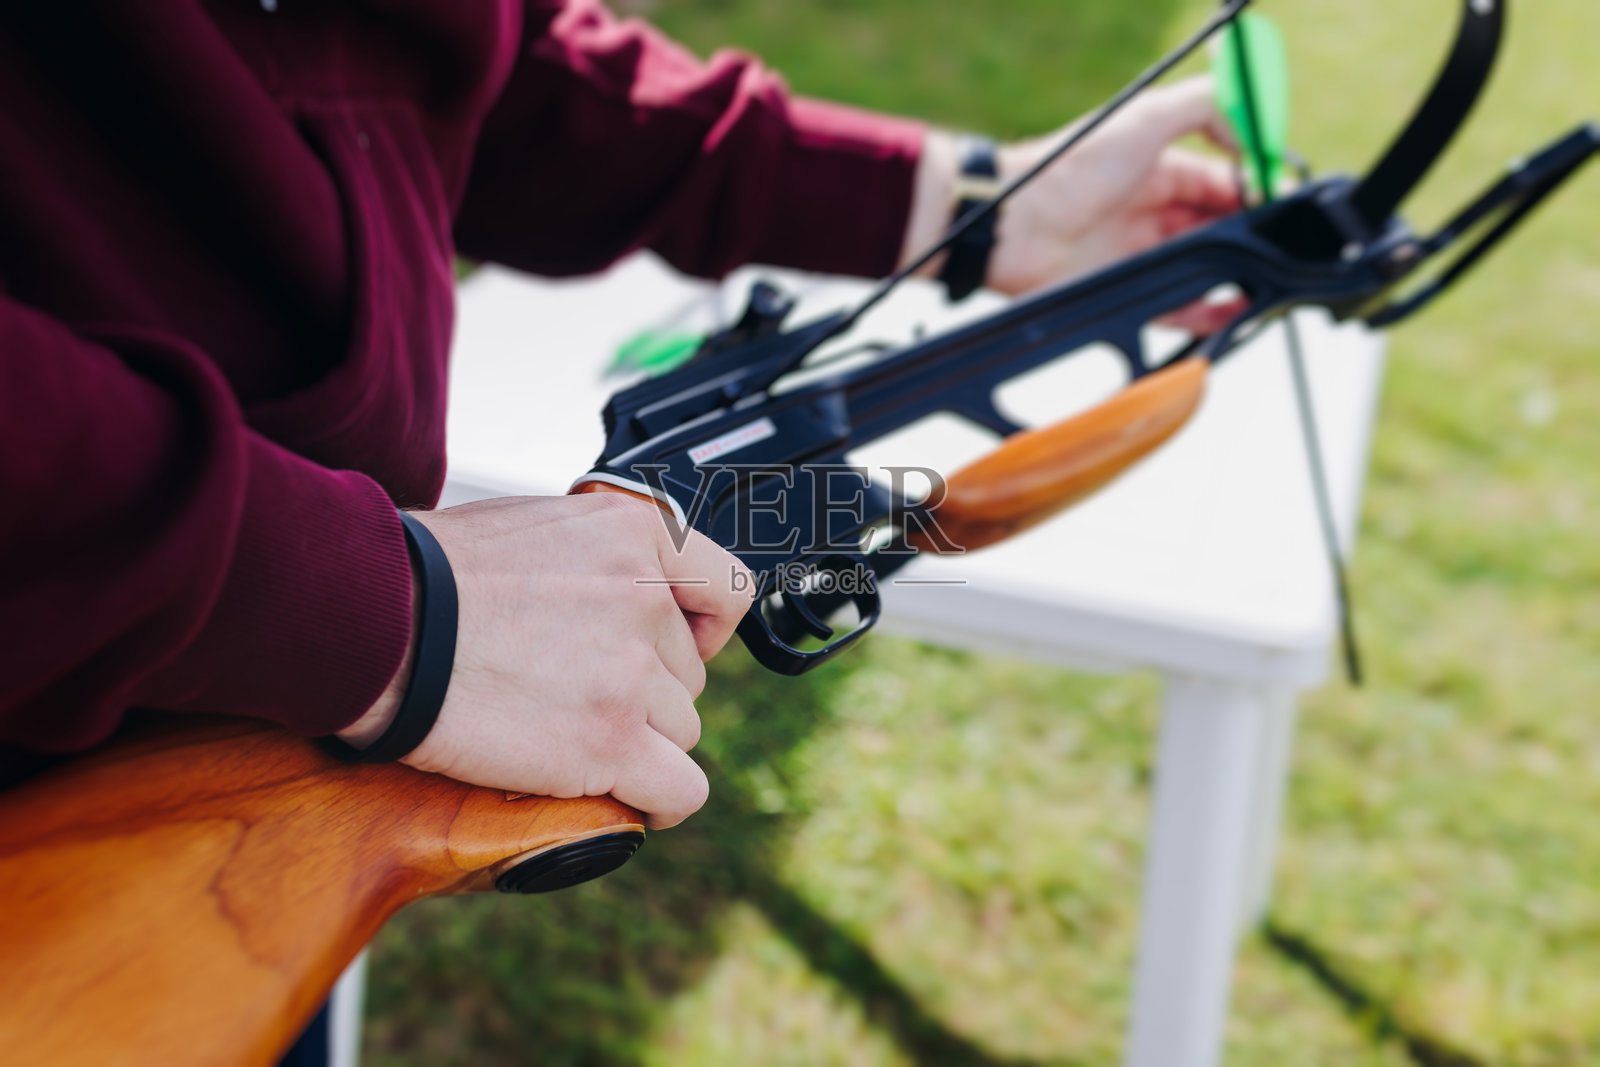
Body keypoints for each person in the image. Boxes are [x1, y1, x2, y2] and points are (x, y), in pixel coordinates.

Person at [0, 1, 1240, 829]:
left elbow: (444, 47)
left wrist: (972, 203)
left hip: (249, 748)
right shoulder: (345, 609)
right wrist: (377, 606)